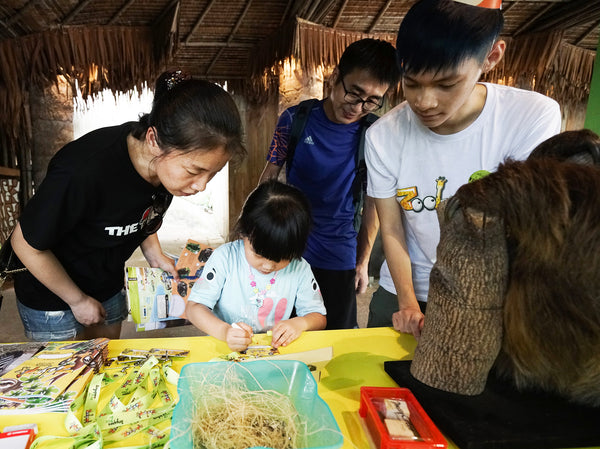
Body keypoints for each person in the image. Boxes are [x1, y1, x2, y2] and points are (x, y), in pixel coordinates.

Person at [365, 0, 562, 337]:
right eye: (411, 83)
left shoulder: (530, 118)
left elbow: (527, 227)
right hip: (407, 290)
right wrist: (409, 305)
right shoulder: (383, 136)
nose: (424, 102)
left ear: (491, 57)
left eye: (446, 85)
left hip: (490, 296)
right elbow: (393, 231)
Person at [11, 71, 246, 342]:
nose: (201, 185)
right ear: (153, 140)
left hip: (106, 282)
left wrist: (154, 253)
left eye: (212, 174)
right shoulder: (84, 170)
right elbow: (25, 244)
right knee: (69, 380)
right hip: (52, 296)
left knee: (108, 367)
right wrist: (76, 300)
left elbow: (143, 208)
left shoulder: (164, 171)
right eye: (194, 170)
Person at [259, 38, 400, 329]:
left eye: (372, 100)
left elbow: (373, 200)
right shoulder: (295, 119)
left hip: (339, 252)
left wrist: (362, 262)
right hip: (291, 246)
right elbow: (270, 176)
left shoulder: (375, 133)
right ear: (335, 78)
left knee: (337, 333)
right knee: (286, 330)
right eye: (354, 93)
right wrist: (258, 237)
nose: (359, 107)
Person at [185, 180, 327, 351]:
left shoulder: (300, 268)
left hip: (273, 353)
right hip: (224, 349)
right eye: (258, 254)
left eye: (280, 259)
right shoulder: (225, 258)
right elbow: (194, 308)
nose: (267, 266)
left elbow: (319, 318)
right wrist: (225, 332)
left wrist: (301, 323)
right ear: (243, 233)